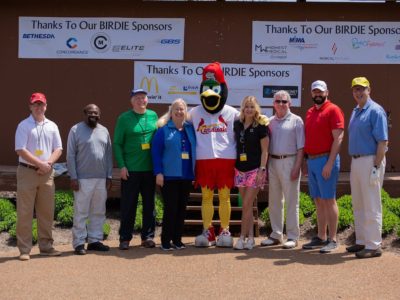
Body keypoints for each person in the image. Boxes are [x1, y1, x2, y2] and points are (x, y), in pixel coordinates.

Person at [190, 62, 240, 248]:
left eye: (215, 87)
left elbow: (249, 118)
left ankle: (225, 229)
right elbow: (176, 116)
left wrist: (261, 118)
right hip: (204, 161)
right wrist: (162, 120)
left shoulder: (231, 112)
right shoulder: (195, 112)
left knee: (225, 197)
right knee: (206, 197)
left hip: (227, 160)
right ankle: (207, 230)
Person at [15, 92, 63, 261]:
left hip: (47, 173)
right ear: (30, 106)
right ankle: (24, 249)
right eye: (35, 104)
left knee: (46, 212)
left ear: (46, 106)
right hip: (27, 172)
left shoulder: (52, 126)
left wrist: (48, 163)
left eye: (41, 104)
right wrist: (39, 164)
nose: (39, 107)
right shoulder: (24, 125)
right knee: (25, 211)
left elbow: (58, 148)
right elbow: (21, 149)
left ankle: (46, 247)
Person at [347, 77, 388, 259]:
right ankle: (362, 241)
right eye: (355, 89)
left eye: (362, 89)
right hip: (356, 161)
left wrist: (376, 166)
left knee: (371, 203)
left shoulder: (375, 110)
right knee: (359, 203)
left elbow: (383, 142)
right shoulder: (356, 111)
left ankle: (373, 245)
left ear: (369, 89)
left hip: (371, 160)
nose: (358, 92)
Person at [302, 80, 344, 253]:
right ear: (311, 94)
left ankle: (333, 239)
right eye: (315, 92)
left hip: (327, 160)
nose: (317, 94)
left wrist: (329, 162)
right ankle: (321, 237)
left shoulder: (333, 110)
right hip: (312, 161)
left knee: (328, 199)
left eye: (320, 91)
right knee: (318, 200)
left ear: (327, 92)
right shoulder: (310, 112)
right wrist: (306, 162)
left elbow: (338, 138)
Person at [114, 89, 158, 250]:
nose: (141, 100)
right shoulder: (124, 118)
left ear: (147, 100)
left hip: (149, 169)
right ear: (132, 101)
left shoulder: (153, 116)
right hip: (131, 170)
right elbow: (117, 143)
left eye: (143, 97)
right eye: (137, 98)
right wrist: (122, 166)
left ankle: (147, 237)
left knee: (149, 205)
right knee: (128, 205)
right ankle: (125, 238)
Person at [260, 90, 304, 249]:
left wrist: (297, 166)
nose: (281, 104)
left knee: (292, 201)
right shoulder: (269, 122)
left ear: (289, 104)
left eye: (284, 101)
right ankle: (276, 234)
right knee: (274, 200)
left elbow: (301, 148)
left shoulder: (297, 121)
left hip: (290, 161)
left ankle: (292, 236)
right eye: (278, 101)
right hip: (273, 162)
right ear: (273, 104)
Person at [67, 104, 113, 255]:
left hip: (101, 179)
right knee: (81, 212)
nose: (93, 114)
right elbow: (70, 155)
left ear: (100, 115)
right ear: (84, 113)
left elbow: (108, 155)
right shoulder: (75, 130)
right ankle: (79, 243)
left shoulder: (104, 130)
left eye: (96, 112)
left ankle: (94, 240)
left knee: (98, 211)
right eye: (90, 112)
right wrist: (73, 177)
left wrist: (109, 176)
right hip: (82, 179)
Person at [151, 99, 196, 251]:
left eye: (182, 109)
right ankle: (165, 241)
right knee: (171, 209)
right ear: (171, 112)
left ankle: (177, 240)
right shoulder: (163, 130)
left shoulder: (190, 129)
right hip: (168, 177)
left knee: (181, 209)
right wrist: (158, 173)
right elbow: (155, 153)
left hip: (186, 176)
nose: (179, 112)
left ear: (186, 112)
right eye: (176, 109)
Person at [233, 96, 269, 250]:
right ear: (243, 108)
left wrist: (262, 169)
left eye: (252, 107)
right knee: (246, 206)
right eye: (246, 106)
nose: (249, 109)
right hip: (239, 169)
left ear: (256, 109)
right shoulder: (237, 124)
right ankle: (251, 238)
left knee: (247, 204)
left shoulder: (261, 126)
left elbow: (265, 151)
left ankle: (242, 237)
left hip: (255, 170)